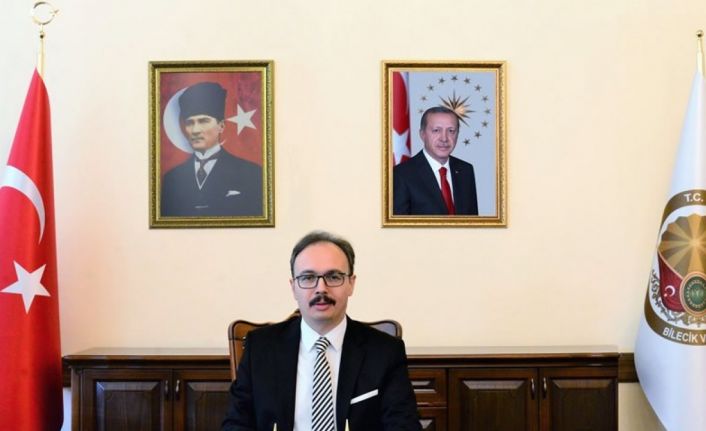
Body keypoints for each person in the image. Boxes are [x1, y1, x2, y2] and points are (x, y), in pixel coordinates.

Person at [222, 231, 421, 431]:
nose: (321, 289)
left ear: (351, 284)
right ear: (293, 287)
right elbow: (236, 424)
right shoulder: (261, 347)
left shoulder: (385, 352)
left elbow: (404, 426)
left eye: (333, 277)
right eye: (308, 277)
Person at [161, 81, 263, 217]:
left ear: (221, 126)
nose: (195, 130)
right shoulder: (171, 178)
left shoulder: (251, 173)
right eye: (190, 123)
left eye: (203, 121)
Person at [393, 106, 478, 215]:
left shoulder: (466, 170)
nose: (444, 138)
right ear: (422, 134)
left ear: (457, 134)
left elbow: (472, 221)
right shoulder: (401, 175)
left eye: (451, 131)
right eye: (436, 130)